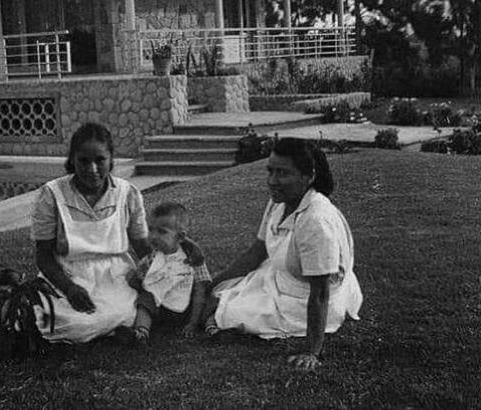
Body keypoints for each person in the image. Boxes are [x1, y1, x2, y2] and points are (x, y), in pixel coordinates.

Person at [204, 138, 363, 372]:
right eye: (270, 171)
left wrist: (311, 351)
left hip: (304, 299)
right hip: (279, 276)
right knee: (216, 293)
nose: (272, 181)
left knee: (222, 311)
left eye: (283, 173)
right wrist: (212, 283)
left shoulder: (315, 220)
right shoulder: (278, 202)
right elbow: (257, 252)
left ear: (308, 176)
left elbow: (320, 292)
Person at [31, 122, 150, 343]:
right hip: (67, 275)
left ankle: (116, 323)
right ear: (72, 160)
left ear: (111, 159)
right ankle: (116, 327)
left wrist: (167, 266)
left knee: (126, 309)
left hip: (117, 277)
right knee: (61, 321)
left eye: (100, 160)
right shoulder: (51, 194)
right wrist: (69, 289)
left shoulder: (128, 193)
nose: (92, 169)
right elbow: (43, 256)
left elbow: (142, 246)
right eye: (84, 161)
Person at [116, 202, 211, 344]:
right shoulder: (152, 258)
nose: (153, 236)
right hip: (160, 309)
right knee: (146, 299)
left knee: (211, 297)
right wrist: (135, 278)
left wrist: (193, 322)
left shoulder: (192, 257)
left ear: (180, 237)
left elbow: (200, 290)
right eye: (150, 229)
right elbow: (137, 281)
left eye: (162, 231)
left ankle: (212, 328)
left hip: (187, 310)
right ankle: (141, 333)